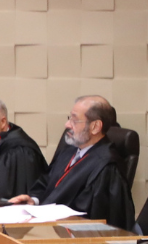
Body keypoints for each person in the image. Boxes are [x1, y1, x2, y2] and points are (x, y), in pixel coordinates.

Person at [11, 97, 135, 229]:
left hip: (71, 235)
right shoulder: (70, 150)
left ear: (95, 127)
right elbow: (47, 181)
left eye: (74, 120)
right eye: (69, 118)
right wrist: (34, 201)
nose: (67, 125)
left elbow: (94, 220)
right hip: (48, 227)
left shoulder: (107, 167)